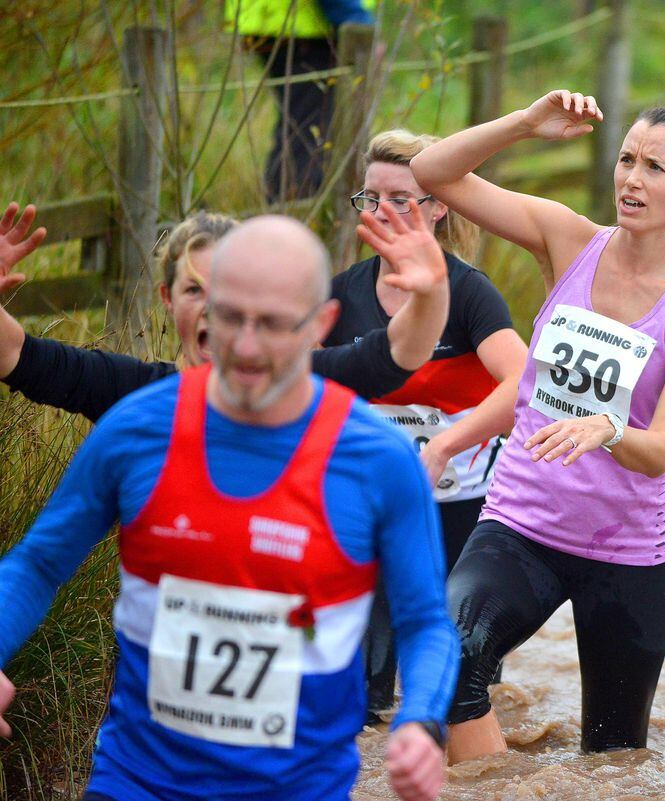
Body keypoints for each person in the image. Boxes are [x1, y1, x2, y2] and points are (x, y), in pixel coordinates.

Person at [0, 215, 460, 801]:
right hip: (137, 783)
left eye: (270, 325)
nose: (244, 346)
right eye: (230, 318)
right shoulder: (137, 429)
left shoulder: (378, 461)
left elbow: (425, 622)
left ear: (320, 325)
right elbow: (39, 563)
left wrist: (420, 722)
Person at [411, 89, 665, 763]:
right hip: (522, 525)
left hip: (630, 557)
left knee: (612, 762)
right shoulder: (568, 237)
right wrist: (522, 123)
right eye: (626, 159)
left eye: (654, 168)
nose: (632, 179)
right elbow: (431, 172)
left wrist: (605, 427)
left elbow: (664, 447)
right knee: (445, 654)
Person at [327, 128, 527, 723]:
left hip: (460, 508)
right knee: (361, 702)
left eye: (401, 198)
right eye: (371, 198)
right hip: (369, 510)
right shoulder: (338, 297)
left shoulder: (470, 295)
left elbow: (525, 387)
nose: (382, 212)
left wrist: (444, 446)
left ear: (439, 205)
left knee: (450, 689)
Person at [0, 201, 446, 422]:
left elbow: (398, 353)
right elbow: (18, 357)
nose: (215, 309)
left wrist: (431, 291)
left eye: (229, 290)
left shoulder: (307, 384)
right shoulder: (136, 395)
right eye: (194, 289)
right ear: (167, 298)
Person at [224, 0, 374, 202]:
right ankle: (290, 219)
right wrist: (355, 18)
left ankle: (287, 213)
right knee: (307, 135)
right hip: (306, 29)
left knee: (300, 129)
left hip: (275, 23)